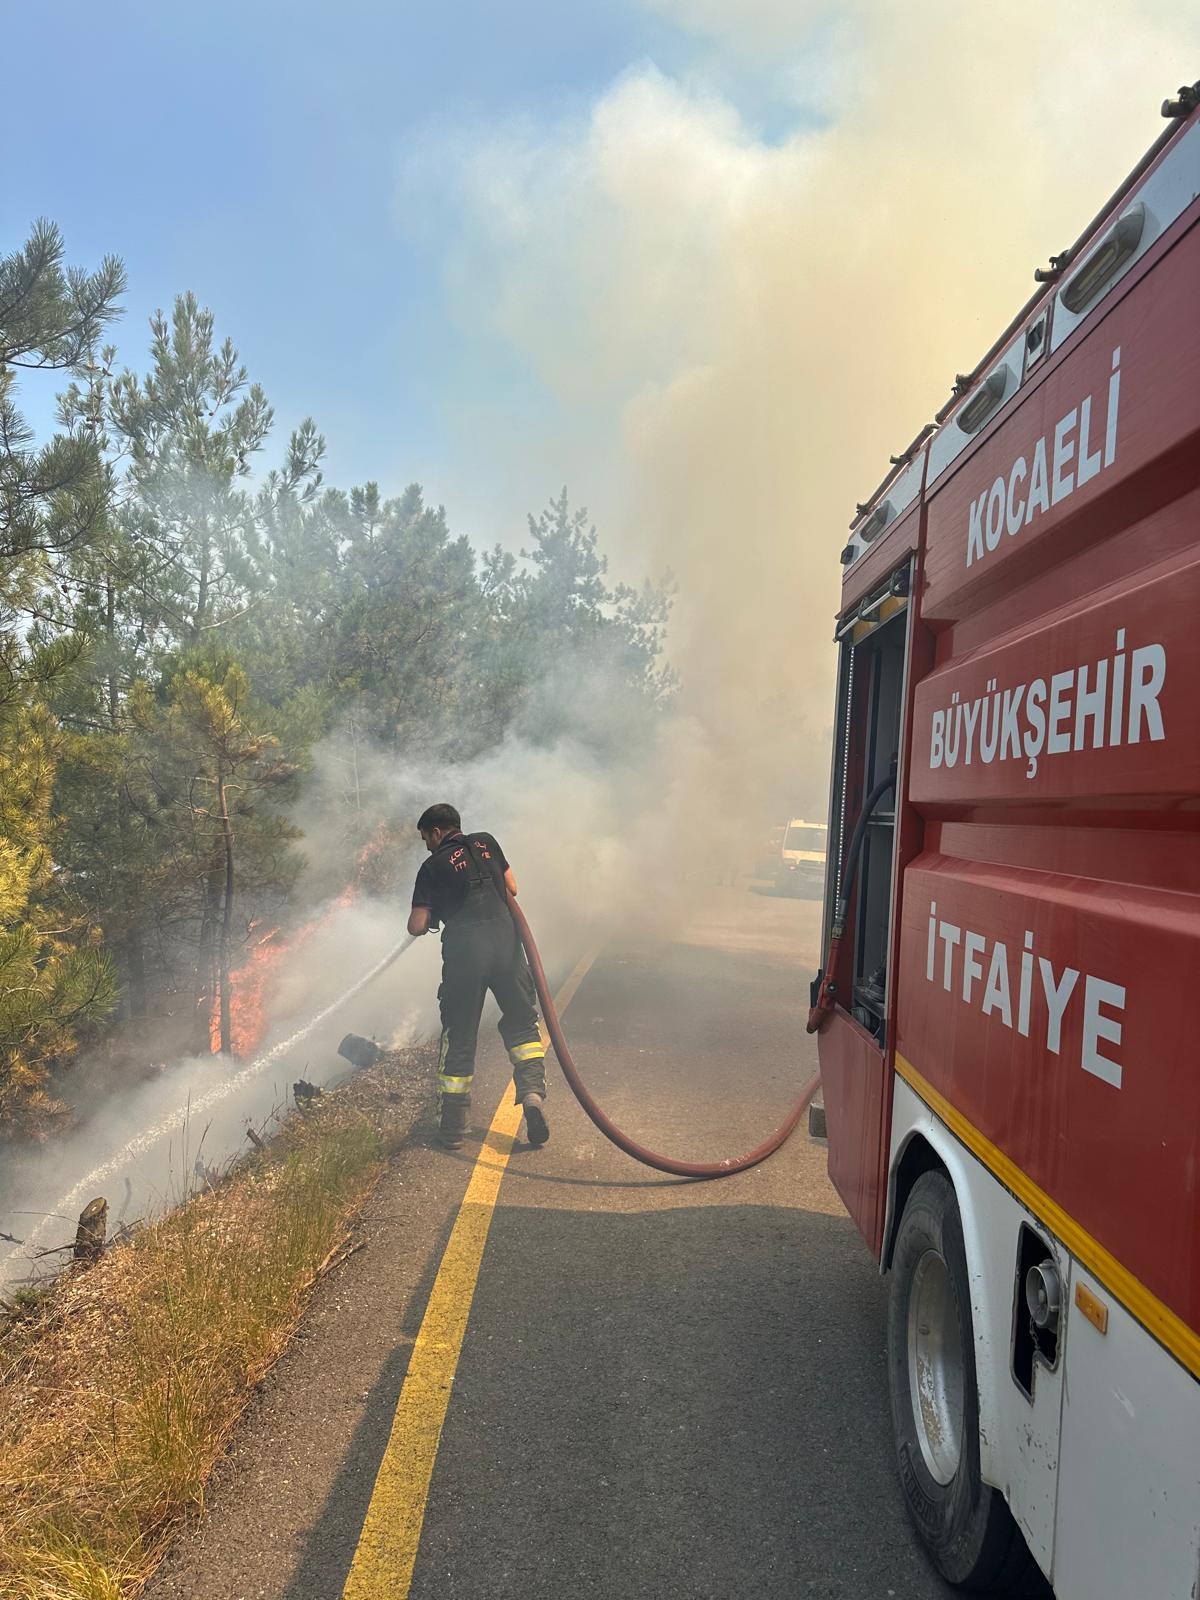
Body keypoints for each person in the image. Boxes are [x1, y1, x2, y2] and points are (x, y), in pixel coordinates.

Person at [407, 803, 549, 1151]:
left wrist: (432, 913)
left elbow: (416, 925)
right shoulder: (486, 842)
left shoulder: (431, 866)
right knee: (523, 1026)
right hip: (506, 948)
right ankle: (531, 1096)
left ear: (437, 832)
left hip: (465, 956)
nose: (426, 845)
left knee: (459, 1036)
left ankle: (453, 1127)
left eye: (426, 837)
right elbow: (512, 887)